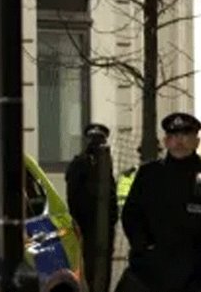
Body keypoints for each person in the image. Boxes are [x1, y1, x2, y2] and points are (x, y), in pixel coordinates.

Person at [119, 112, 201, 292]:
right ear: (166, 141)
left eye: (185, 135)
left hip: (198, 278)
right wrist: (145, 248)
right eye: (174, 135)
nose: (179, 141)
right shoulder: (150, 175)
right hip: (152, 277)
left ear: (197, 141)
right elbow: (132, 216)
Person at [65, 122, 118, 292]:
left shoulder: (105, 162)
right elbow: (73, 195)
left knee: (103, 267)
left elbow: (111, 194)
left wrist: (111, 220)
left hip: (104, 226)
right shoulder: (80, 164)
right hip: (88, 224)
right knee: (91, 266)